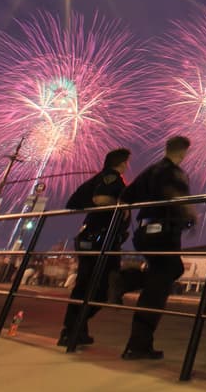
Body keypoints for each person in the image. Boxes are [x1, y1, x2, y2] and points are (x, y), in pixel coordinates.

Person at [119, 136, 194, 360]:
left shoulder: (150, 171)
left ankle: (139, 344)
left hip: (144, 231)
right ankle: (126, 280)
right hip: (164, 233)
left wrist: (125, 213)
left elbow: (126, 196)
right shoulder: (175, 173)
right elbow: (174, 196)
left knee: (159, 278)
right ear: (183, 153)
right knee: (164, 277)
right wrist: (190, 215)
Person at [58, 147, 131, 347]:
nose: (127, 165)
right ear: (121, 163)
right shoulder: (111, 177)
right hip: (101, 240)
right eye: (126, 162)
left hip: (92, 238)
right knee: (104, 287)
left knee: (85, 285)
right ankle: (73, 328)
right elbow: (100, 200)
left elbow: (74, 201)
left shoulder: (97, 179)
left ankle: (75, 330)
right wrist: (121, 207)